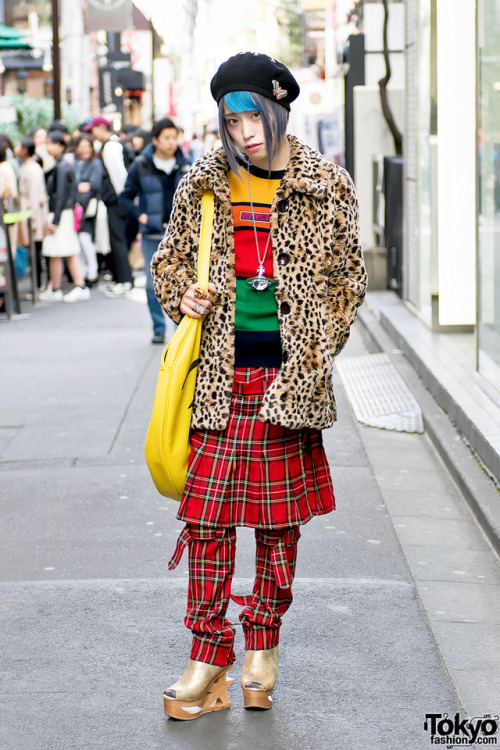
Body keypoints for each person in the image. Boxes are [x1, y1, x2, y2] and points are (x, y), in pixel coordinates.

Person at [151, 52, 367, 720]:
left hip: (286, 383)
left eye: (254, 115)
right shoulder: (204, 185)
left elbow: (347, 283)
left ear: (279, 110)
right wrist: (180, 294)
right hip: (218, 379)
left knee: (278, 528)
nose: (243, 131)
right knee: (207, 522)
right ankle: (207, 654)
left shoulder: (324, 185)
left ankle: (262, 649)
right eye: (231, 118)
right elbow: (167, 264)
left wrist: (313, 352)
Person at [119, 118, 191, 344]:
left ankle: (180, 328)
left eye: (174, 137)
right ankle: (158, 327)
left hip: (182, 235)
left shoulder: (186, 163)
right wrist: (142, 216)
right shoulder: (141, 164)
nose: (171, 142)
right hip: (152, 234)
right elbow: (125, 196)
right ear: (156, 140)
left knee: (183, 282)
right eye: (167, 138)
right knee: (152, 285)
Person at [85, 116, 134, 296]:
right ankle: (123, 279)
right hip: (118, 200)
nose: (92, 134)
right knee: (118, 240)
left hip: (117, 201)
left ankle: (125, 280)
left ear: (100, 127)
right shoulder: (113, 144)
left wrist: (123, 198)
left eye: (93, 130)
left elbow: (118, 175)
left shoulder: (110, 146)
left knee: (117, 240)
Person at [39, 131, 90, 303]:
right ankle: (57, 287)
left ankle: (77, 286)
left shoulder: (61, 166)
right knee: (58, 252)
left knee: (66, 251)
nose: (49, 146)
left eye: (52, 143)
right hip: (63, 213)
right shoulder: (61, 164)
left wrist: (54, 221)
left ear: (61, 146)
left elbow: (60, 195)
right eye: (48, 143)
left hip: (61, 214)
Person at [15, 136, 47, 289]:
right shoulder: (25, 166)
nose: (16, 148)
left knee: (35, 251)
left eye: (18, 145)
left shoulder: (32, 168)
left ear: (25, 150)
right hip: (27, 214)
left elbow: (34, 196)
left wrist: (33, 220)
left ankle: (38, 285)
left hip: (31, 215)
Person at [74, 135, 103, 287]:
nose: (85, 150)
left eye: (87, 146)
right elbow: (76, 185)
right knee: (79, 241)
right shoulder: (77, 164)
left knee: (86, 240)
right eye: (82, 146)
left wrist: (81, 187)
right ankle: (84, 272)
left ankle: (92, 273)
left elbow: (94, 185)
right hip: (77, 207)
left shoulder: (95, 164)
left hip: (88, 207)